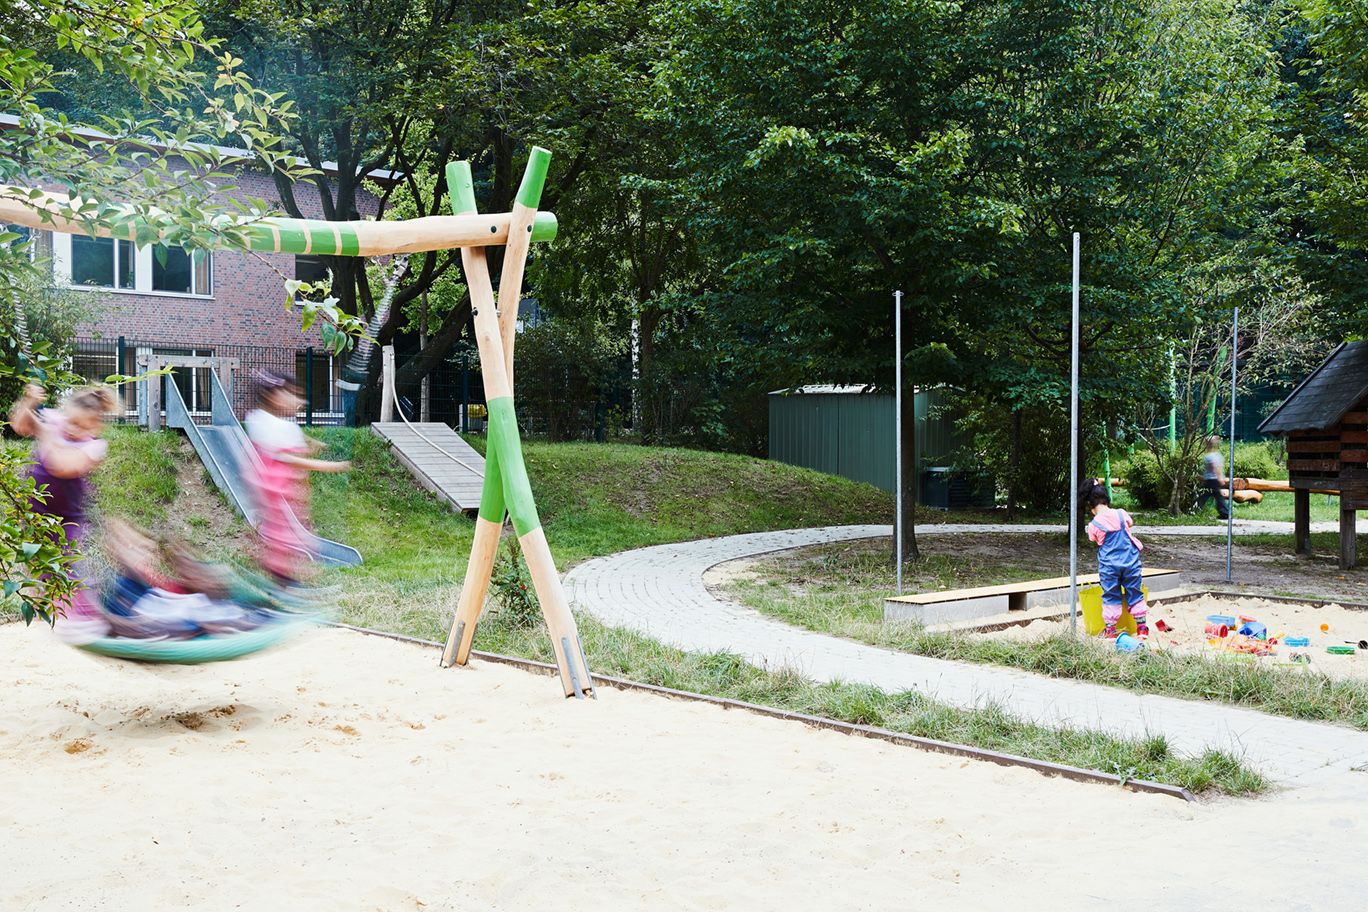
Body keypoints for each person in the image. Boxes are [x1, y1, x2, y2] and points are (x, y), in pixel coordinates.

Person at [7, 383, 117, 639]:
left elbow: (62, 467)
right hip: (33, 514)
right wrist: (29, 403)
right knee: (37, 568)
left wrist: (46, 434)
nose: (72, 428)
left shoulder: (95, 446)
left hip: (67, 518)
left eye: (82, 425)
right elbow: (20, 426)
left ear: (95, 427)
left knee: (63, 565)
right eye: (70, 421)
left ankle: (82, 616)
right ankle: (46, 617)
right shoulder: (55, 420)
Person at [244, 371, 349, 584]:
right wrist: (326, 466)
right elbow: (287, 458)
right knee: (286, 534)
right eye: (293, 394)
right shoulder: (274, 425)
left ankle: (282, 575)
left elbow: (290, 441)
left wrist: (311, 442)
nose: (300, 400)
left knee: (287, 531)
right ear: (274, 397)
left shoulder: (266, 420)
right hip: (277, 489)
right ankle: (281, 578)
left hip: (284, 488)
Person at [1082, 479, 1149, 639]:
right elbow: (1129, 524)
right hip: (1130, 562)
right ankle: (1141, 628)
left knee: (1111, 594)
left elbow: (1095, 540)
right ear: (1106, 500)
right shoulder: (1121, 513)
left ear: (1091, 506)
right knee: (1134, 591)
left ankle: (1111, 631)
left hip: (1109, 567)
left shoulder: (1094, 524)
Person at [1197, 435, 1231, 520]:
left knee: (1204, 496)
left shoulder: (1210, 456)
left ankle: (1196, 509)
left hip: (1211, 480)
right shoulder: (1217, 454)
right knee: (1217, 496)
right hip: (1213, 479)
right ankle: (1224, 513)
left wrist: (1219, 477)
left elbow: (1215, 467)